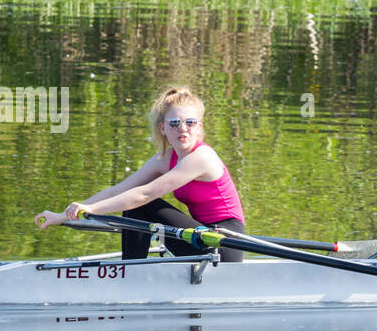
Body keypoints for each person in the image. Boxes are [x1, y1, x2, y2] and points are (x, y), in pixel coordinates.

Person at [34, 86, 245, 262]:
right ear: (163, 128)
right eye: (175, 123)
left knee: (141, 202)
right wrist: (61, 217)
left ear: (198, 127)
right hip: (198, 236)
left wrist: (91, 209)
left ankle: (132, 271)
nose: (183, 129)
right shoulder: (165, 158)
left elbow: (143, 195)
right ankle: (132, 268)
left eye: (190, 123)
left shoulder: (202, 157)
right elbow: (118, 190)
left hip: (223, 243)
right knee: (134, 203)